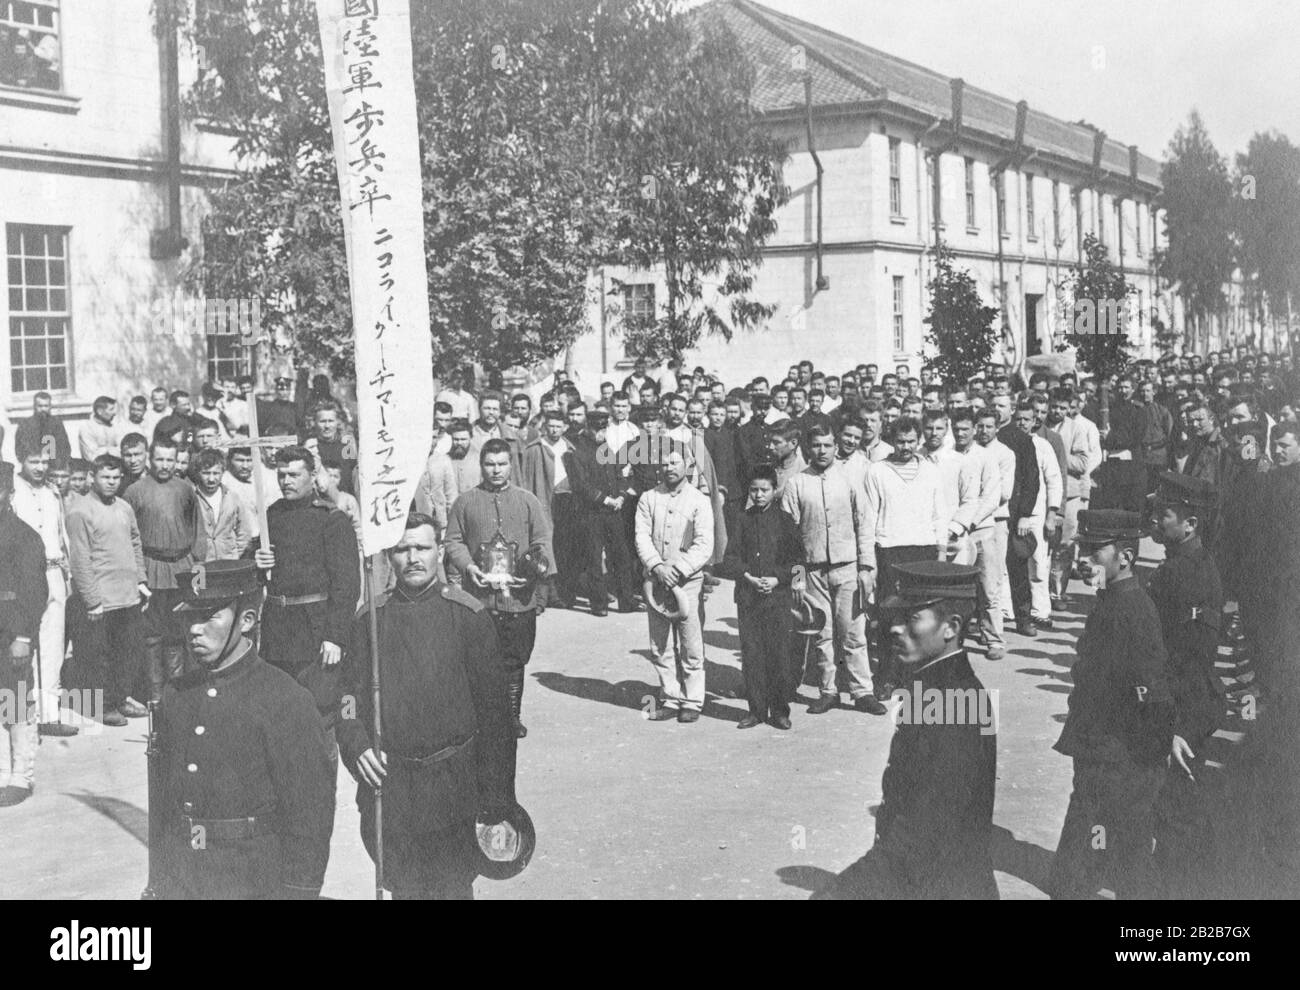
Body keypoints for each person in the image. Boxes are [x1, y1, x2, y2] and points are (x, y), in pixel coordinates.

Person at [339, 514, 520, 899]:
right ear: (389, 556)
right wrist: (356, 744)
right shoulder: (370, 619)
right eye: (402, 550)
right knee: (404, 889)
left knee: (452, 888)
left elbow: (497, 719)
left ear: (440, 551)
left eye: (421, 547)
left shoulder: (468, 615)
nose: (413, 558)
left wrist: (498, 797)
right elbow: (349, 699)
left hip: (454, 786)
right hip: (393, 787)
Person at [151, 559, 335, 899]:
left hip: (254, 879)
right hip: (185, 880)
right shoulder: (176, 696)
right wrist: (160, 882)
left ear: (247, 620)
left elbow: (310, 813)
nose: (194, 629)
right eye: (189, 616)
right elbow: (166, 804)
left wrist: (299, 892)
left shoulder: (285, 699)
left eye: (209, 616)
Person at [813, 562, 996, 899]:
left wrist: (843, 892)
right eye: (896, 618)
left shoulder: (954, 702)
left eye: (912, 618)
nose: (895, 629)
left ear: (951, 627)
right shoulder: (937, 686)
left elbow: (928, 828)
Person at [1048, 510, 1174, 900]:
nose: (1085, 559)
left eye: (1094, 551)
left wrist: (1147, 755)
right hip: (1099, 743)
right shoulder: (1110, 600)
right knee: (1101, 831)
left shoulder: (1133, 610)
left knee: (1105, 832)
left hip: (1114, 750)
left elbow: (1150, 690)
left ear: (1125, 557)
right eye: (1083, 549)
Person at [250, 445, 361, 763]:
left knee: (320, 709)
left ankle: (321, 781)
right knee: (279, 709)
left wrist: (335, 636)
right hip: (278, 629)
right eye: (281, 475)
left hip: (316, 632)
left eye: (294, 474)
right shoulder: (272, 515)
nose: (286, 481)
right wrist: (257, 560)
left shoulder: (332, 519)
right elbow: (261, 574)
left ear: (313, 476)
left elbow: (347, 585)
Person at [1146, 472, 1225, 899]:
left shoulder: (1190, 575)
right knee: (1172, 806)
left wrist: (1178, 725)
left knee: (1179, 809)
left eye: (1166, 514)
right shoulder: (1179, 564)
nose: (1157, 520)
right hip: (1176, 703)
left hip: (1187, 707)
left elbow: (1195, 660)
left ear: (1191, 523)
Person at [445, 438, 554, 739]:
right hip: (480, 599)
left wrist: (533, 576)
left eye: (502, 464)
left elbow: (542, 542)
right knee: (479, 662)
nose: (496, 470)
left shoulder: (528, 501)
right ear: (481, 466)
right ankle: (481, 718)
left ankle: (511, 717)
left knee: (515, 660)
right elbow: (452, 540)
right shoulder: (465, 502)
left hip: (519, 599)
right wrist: (469, 566)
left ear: (510, 465)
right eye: (490, 464)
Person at [783, 426, 885, 715]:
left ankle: (862, 691)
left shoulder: (850, 480)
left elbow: (864, 525)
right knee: (822, 635)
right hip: (813, 571)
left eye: (827, 445)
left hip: (847, 568)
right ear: (808, 447)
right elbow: (789, 537)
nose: (822, 451)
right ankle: (828, 691)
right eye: (816, 445)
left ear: (835, 446)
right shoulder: (797, 483)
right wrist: (798, 579)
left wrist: (867, 567)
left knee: (854, 633)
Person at [66, 455, 149, 726]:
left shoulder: (124, 507)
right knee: (99, 656)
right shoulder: (80, 510)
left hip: (128, 596)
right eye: (105, 477)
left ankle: (120, 697)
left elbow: (135, 543)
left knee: (127, 651)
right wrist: (92, 601)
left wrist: (141, 581)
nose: (111, 482)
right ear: (92, 478)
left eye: (116, 478)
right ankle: (103, 705)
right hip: (102, 600)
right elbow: (79, 559)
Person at [863, 417, 944, 698]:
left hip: (923, 550)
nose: (906, 447)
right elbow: (869, 518)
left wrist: (941, 552)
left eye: (912, 441)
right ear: (891, 440)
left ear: (919, 439)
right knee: (889, 617)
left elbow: (939, 515)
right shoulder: (877, 471)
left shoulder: (931, 471)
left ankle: (915, 678)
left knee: (921, 618)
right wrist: (869, 561)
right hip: (890, 551)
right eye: (900, 441)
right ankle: (886, 676)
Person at [125, 438, 207, 705]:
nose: (164, 465)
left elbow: (198, 532)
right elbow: (129, 537)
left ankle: (176, 692)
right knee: (151, 634)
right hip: (150, 567)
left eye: (169, 460)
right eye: (159, 459)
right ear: (150, 458)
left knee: (177, 632)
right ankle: (156, 694)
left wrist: (198, 570)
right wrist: (138, 577)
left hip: (182, 568)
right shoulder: (135, 491)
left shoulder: (185, 490)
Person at [635, 445, 714, 724]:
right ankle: (670, 696)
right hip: (655, 582)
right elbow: (641, 537)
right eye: (664, 463)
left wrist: (678, 570)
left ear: (688, 464)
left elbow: (704, 543)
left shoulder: (698, 500)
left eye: (675, 462)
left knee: (690, 643)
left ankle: (692, 700)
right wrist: (657, 567)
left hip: (687, 582)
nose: (669, 468)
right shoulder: (648, 498)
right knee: (660, 643)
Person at [721, 465, 801, 730]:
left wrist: (779, 578)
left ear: (774, 490)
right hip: (749, 598)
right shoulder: (741, 519)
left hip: (777, 599)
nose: (758, 495)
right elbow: (729, 559)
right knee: (753, 655)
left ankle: (779, 710)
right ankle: (756, 710)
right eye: (753, 490)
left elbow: (799, 562)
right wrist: (748, 577)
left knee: (779, 656)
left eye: (764, 490)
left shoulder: (785, 520)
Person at [10, 439, 76, 736]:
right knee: (18, 646)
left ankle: (48, 716)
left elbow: (61, 536)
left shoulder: (52, 492)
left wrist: (67, 574)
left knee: (52, 648)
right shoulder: (10, 491)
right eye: (33, 461)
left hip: (52, 573)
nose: (40, 467)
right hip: (21, 578)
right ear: (21, 459)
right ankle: (16, 715)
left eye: (44, 462)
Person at [0, 462, 50, 806]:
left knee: (16, 700)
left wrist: (23, 637)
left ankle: (22, 775)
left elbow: (35, 594)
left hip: (12, 632)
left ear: (9, 493)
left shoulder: (24, 536)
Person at [992, 395, 1041, 636]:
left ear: (1010, 409)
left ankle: (1024, 618)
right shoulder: (983, 437)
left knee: (1018, 566)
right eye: (993, 405)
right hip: (986, 513)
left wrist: (1024, 515)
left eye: (1001, 406)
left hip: (1013, 514)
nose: (996, 410)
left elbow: (1032, 480)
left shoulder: (1020, 439)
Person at [192, 448, 252, 562]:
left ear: (223, 472)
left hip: (228, 562)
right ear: (198, 472)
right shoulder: (191, 497)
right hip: (201, 563)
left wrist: (233, 554)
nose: (211, 479)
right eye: (206, 473)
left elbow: (244, 532)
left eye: (216, 473)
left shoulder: (232, 497)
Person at [14, 391, 71, 465]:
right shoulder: (25, 425)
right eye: (40, 406)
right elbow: (20, 451)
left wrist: (58, 465)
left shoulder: (57, 424)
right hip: (33, 468)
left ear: (50, 406)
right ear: (34, 406)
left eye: (46, 406)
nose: (43, 409)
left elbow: (65, 448)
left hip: (53, 467)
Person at [78, 395, 121, 461]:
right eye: (111, 409)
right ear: (100, 411)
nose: (114, 413)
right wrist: (109, 450)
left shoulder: (114, 427)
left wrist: (102, 450)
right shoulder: (86, 428)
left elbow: (123, 448)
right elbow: (91, 456)